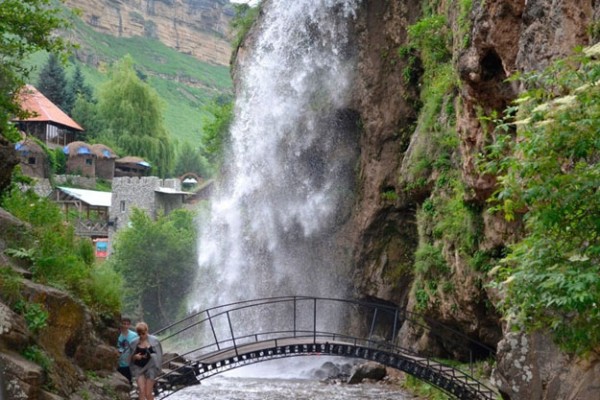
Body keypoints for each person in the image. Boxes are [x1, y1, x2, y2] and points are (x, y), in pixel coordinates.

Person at [128, 322, 163, 400]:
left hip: (151, 367)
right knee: (141, 390)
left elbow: (158, 357)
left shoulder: (154, 341)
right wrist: (135, 357)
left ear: (147, 331)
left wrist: (149, 348)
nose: (141, 336)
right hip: (138, 367)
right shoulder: (134, 342)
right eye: (139, 334)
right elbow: (130, 358)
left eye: (143, 333)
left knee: (148, 393)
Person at [117, 317, 138, 384]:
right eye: (124, 324)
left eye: (127, 324)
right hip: (118, 362)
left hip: (128, 363)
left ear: (129, 325)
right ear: (121, 324)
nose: (126, 326)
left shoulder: (134, 335)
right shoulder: (117, 335)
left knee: (129, 382)